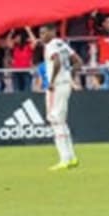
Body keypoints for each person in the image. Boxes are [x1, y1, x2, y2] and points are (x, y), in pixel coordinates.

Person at [40, 22, 83, 171]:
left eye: (44, 33)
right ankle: (71, 157)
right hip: (65, 85)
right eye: (40, 33)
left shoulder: (50, 45)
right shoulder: (62, 44)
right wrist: (70, 76)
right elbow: (78, 62)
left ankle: (64, 159)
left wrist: (51, 81)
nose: (42, 36)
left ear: (52, 32)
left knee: (55, 120)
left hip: (57, 86)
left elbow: (57, 61)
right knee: (61, 121)